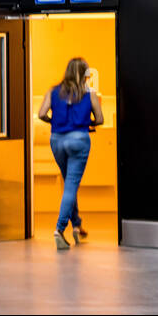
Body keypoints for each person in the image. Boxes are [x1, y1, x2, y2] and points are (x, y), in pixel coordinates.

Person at [37, 57, 104, 250]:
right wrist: (86, 122)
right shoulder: (89, 93)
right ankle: (59, 230)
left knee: (69, 183)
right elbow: (99, 119)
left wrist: (55, 122)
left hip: (57, 139)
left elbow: (41, 114)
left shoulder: (53, 91)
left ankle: (76, 225)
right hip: (79, 140)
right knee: (71, 186)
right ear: (85, 75)